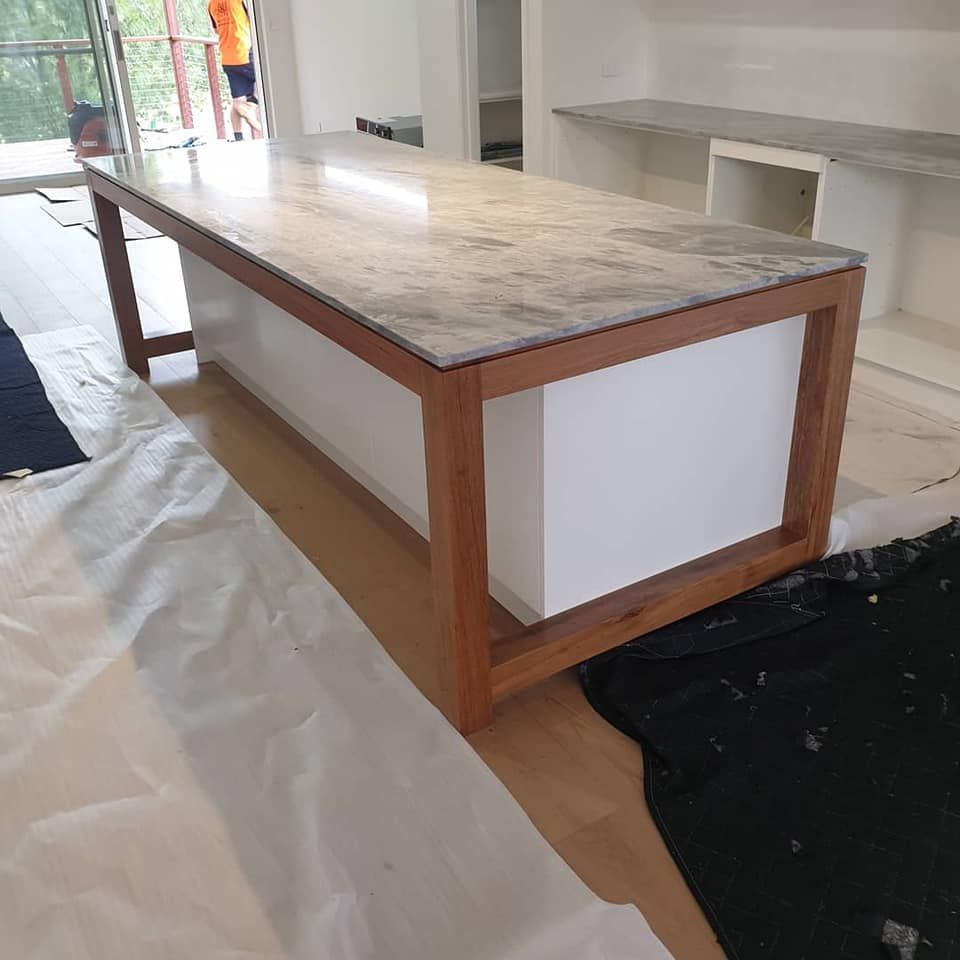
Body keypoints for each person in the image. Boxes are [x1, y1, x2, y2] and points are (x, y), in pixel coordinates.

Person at [208, 0, 261, 141]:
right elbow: (255, 20)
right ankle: (251, 106)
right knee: (265, 81)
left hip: (227, 57)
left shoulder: (211, 4)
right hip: (244, 52)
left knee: (238, 100)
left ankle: (238, 138)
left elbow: (216, 29)